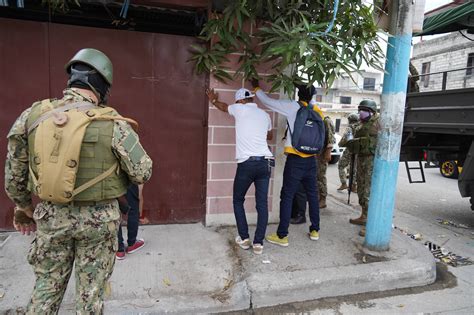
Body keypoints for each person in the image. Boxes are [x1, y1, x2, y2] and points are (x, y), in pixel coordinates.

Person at [5, 48, 153, 314]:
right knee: (90, 298)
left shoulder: (34, 115)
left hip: (51, 217)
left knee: (45, 291)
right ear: (102, 86)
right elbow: (143, 172)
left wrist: (24, 209)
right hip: (99, 222)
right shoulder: (113, 123)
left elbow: (14, 176)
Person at [252, 80, 323, 246]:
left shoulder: (292, 106)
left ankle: (282, 235)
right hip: (311, 159)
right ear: (312, 96)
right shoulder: (317, 110)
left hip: (295, 159)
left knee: (287, 196)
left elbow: (268, 101)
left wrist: (256, 87)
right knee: (312, 195)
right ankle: (315, 230)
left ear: (298, 94)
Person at [206, 87, 273, 255]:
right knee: (262, 204)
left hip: (247, 164)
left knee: (237, 200)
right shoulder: (265, 115)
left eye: (237, 102)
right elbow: (269, 136)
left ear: (241, 101)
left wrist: (213, 100)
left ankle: (244, 239)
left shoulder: (239, 109)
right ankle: (258, 243)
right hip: (265, 162)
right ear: (251, 98)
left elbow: (223, 107)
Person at [290, 113, 334, 224]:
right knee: (313, 179)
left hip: (322, 153)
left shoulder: (325, 119)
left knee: (320, 176)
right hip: (314, 153)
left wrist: (328, 152)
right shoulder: (311, 117)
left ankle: (322, 199)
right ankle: (316, 199)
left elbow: (330, 138)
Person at [343, 100, 379, 226]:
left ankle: (370, 223)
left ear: (372, 112)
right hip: (361, 158)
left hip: (371, 160)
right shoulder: (360, 123)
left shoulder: (378, 122)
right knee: (361, 188)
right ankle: (364, 215)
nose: (361, 113)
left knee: (368, 190)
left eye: (364, 110)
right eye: (360, 110)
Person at [116, 184, 145, 260]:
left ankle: (119, 249)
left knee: (115, 209)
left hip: (110, 179)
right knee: (133, 208)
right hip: (128, 178)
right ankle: (132, 244)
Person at [337, 113, 359, 191]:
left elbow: (346, 138)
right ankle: (354, 186)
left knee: (341, 165)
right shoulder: (360, 126)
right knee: (354, 168)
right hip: (358, 150)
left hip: (350, 150)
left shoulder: (350, 128)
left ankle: (344, 183)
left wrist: (340, 144)